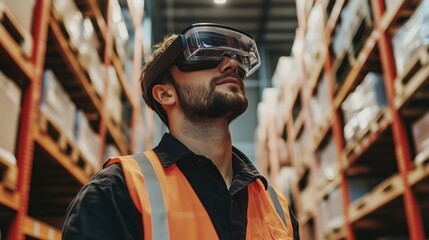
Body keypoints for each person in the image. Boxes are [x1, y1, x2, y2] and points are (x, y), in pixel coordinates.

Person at [62, 23, 300, 240]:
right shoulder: (117, 192)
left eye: (236, 59)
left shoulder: (276, 205)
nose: (232, 65)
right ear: (165, 94)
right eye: (206, 54)